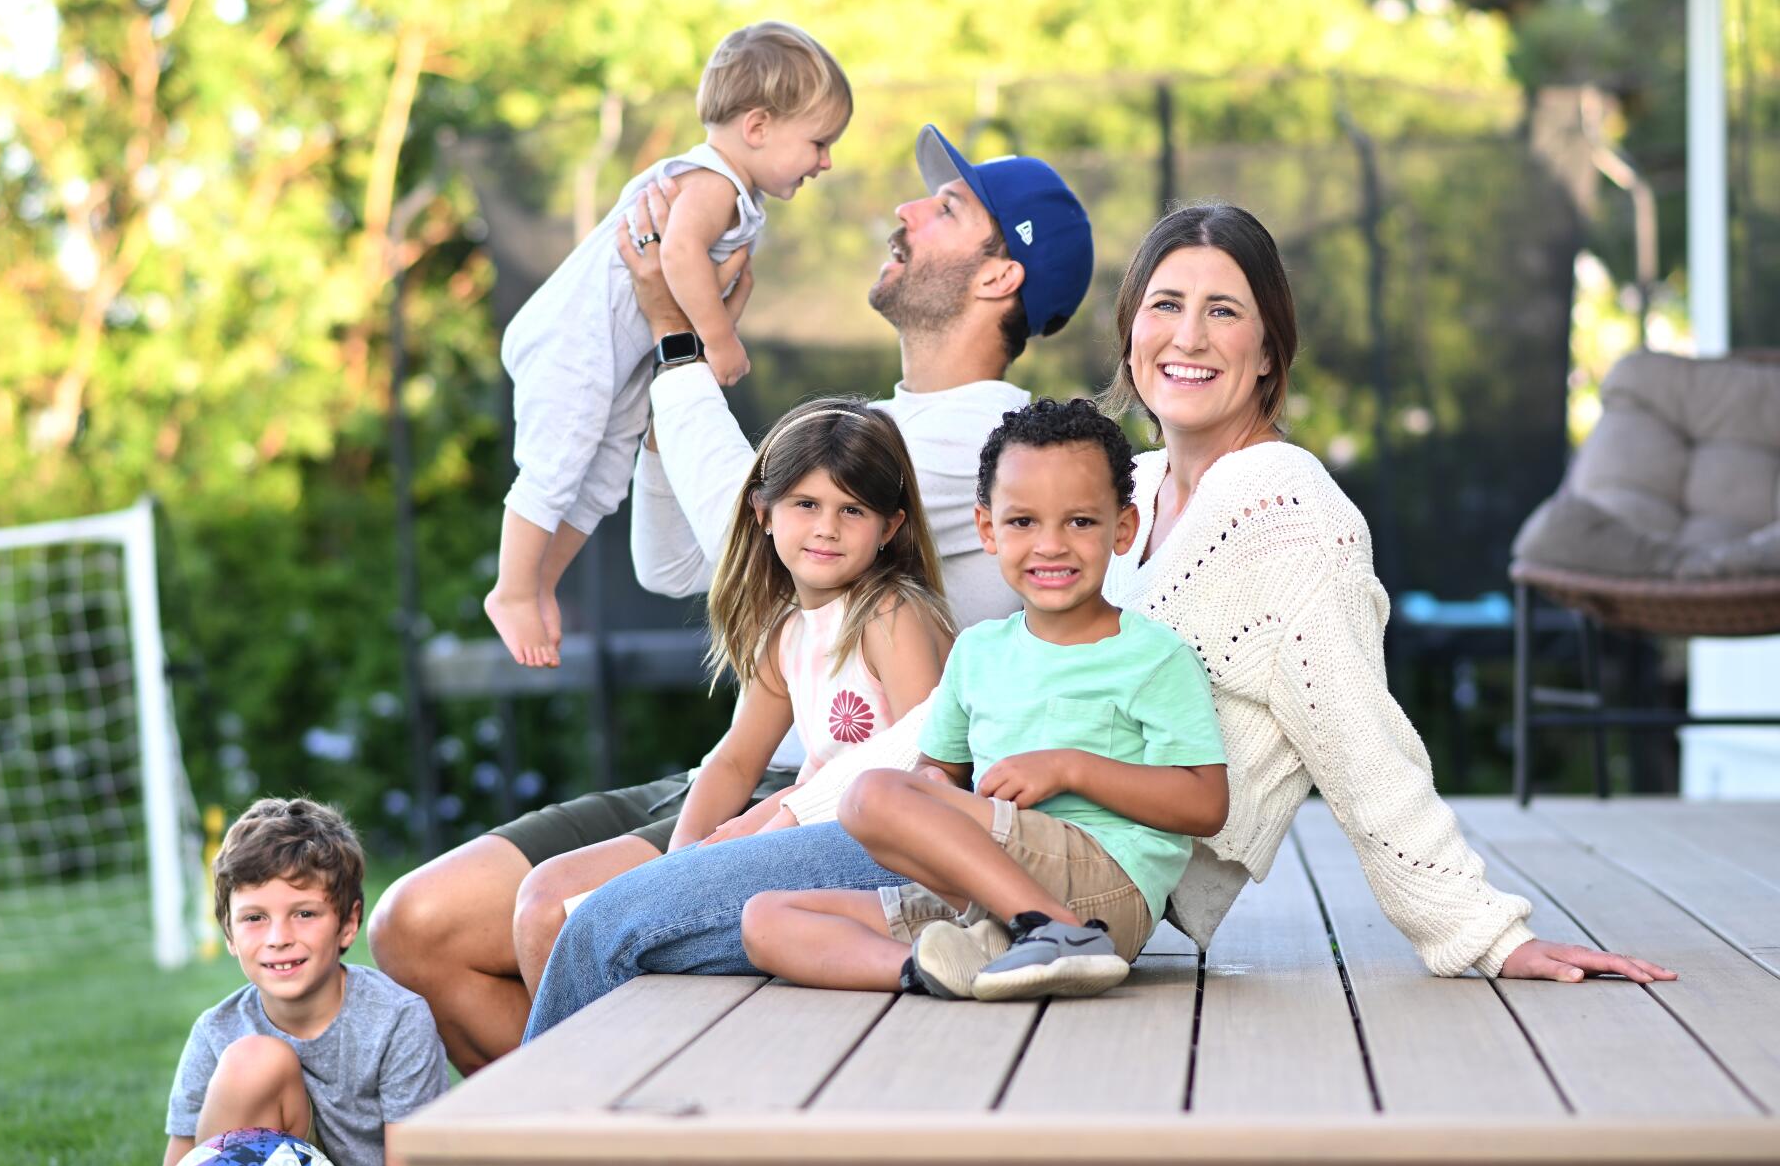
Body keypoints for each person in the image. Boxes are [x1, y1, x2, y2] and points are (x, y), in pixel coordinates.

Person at [522, 202, 1674, 1043]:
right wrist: (789, 795)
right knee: (625, 929)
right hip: (963, 841)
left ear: (1267, 346)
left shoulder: (1285, 515)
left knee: (602, 930)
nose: (1187, 333)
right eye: (1163, 305)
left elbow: (1356, 735)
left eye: (1222, 310)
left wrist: (1476, 929)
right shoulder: (1121, 498)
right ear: (1128, 334)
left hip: (1070, 875)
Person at [371, 124, 1094, 1073]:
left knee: (551, 913)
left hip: (827, 799)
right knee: (411, 928)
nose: (905, 212)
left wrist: (678, 342)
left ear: (1001, 276)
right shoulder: (879, 424)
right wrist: (671, 372)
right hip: (752, 771)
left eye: (947, 208)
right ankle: (591, 1135)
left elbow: (740, 523)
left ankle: (597, 1145)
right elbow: (681, 563)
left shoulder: (994, 440)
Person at [742, 398, 1227, 1000]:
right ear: (987, 529)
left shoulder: (1154, 657)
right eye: (1023, 522)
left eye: (1079, 522)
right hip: (985, 892)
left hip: (1105, 888)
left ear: (1123, 528)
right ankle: (935, 969)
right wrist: (934, 799)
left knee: (870, 793)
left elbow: (1207, 804)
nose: (1050, 545)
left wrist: (1068, 767)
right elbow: (936, 771)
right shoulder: (978, 653)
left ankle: (1057, 932)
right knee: (765, 919)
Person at [511, 396, 956, 995]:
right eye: (806, 504)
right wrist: (683, 859)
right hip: (789, 837)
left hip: (867, 855)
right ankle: (586, 1076)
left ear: (890, 527)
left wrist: (764, 824)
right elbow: (735, 760)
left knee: (592, 923)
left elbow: (932, 763)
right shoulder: (787, 630)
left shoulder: (888, 613)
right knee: (550, 897)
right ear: (764, 512)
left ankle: (610, 1073)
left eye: (852, 509)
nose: (826, 527)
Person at [485, 21, 851, 668]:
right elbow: (677, 252)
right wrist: (719, 337)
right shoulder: (713, 183)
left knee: (599, 481)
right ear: (759, 126)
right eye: (819, 142)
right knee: (557, 464)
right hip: (576, 343)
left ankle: (541, 581)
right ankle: (511, 590)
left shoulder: (733, 189)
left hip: (621, 355)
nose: (825, 161)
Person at [147, 798, 447, 1166]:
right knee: (256, 1061)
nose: (279, 937)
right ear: (230, 935)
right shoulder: (217, 1032)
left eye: (304, 913)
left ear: (348, 923)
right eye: (255, 918)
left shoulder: (398, 1019)